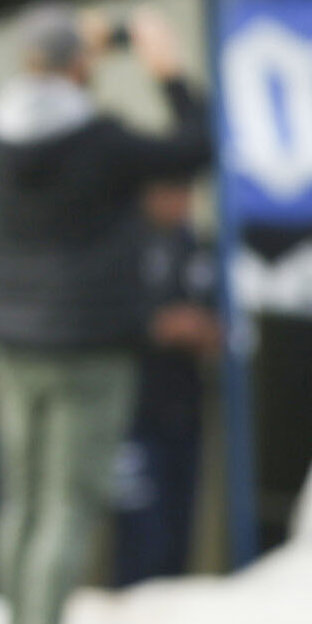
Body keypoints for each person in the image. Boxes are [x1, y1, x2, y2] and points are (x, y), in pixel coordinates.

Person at [0, 0, 211, 624]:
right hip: (90, 345)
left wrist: (74, 53)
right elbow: (195, 148)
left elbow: (40, 95)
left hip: (12, 342)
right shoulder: (104, 142)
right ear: (80, 64)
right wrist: (169, 72)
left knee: (21, 504)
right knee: (66, 507)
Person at [113, 179, 220, 586]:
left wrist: (206, 331)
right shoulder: (123, 244)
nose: (181, 200)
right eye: (171, 189)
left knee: (178, 539)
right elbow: (104, 315)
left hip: (185, 410)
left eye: (186, 190)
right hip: (132, 416)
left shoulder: (197, 248)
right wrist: (161, 325)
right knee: (143, 538)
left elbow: (218, 321)